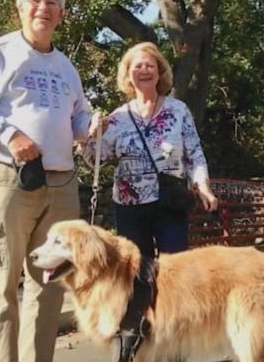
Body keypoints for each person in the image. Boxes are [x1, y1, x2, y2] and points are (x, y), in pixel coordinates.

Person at [0, 0, 93, 361]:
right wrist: (9, 133)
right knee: (2, 282)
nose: (42, 8)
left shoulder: (66, 67)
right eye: (35, 0)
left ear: (61, 15)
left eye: (51, 3)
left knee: (49, 286)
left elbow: (79, 116)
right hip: (9, 178)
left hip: (62, 183)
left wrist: (89, 128)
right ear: (20, 7)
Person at [84, 41, 218, 361]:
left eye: (150, 65)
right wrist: (92, 135)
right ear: (128, 75)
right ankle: (137, 345)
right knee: (135, 278)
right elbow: (96, 160)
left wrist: (203, 186)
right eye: (137, 66)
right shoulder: (116, 118)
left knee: (175, 274)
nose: (143, 70)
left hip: (169, 203)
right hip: (130, 206)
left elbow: (194, 154)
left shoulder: (178, 110)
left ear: (160, 72)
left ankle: (176, 347)